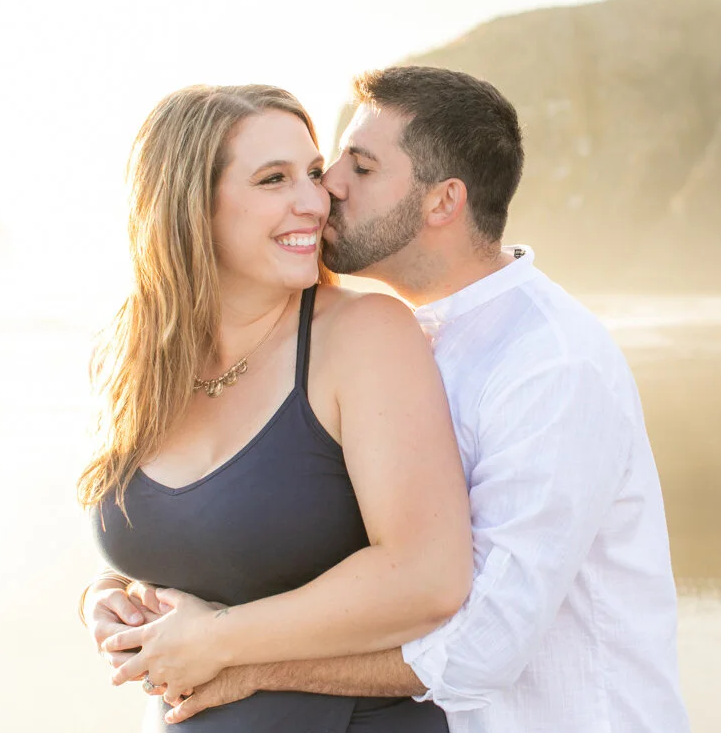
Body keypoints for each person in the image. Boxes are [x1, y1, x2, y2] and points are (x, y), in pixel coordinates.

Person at [94, 66, 691, 732]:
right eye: (322, 168)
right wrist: (113, 598)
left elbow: (479, 646)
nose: (327, 192)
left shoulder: (549, 366)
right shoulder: (393, 334)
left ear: (442, 203)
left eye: (359, 168)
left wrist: (232, 659)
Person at [79, 83, 473, 731]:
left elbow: (428, 576)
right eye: (274, 180)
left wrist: (222, 640)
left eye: (313, 174)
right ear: (189, 205)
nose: (314, 201)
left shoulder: (365, 335)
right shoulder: (130, 356)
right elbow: (180, 536)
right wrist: (104, 597)